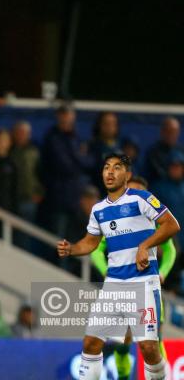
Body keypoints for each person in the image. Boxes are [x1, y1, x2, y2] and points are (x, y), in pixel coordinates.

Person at [57, 153, 180, 380]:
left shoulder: (142, 199)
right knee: (92, 342)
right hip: (114, 284)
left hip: (143, 283)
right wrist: (73, 249)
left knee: (149, 348)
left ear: (127, 175)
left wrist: (145, 245)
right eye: (106, 168)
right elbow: (91, 242)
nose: (110, 172)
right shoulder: (98, 209)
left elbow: (172, 225)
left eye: (116, 168)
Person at [90, 175, 176, 379]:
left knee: (154, 340)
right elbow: (95, 250)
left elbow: (170, 250)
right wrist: (106, 270)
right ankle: (123, 376)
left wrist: (162, 273)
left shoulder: (152, 221)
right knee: (122, 342)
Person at [41, 104, 93, 237]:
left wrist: (79, 158)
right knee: (59, 242)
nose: (67, 120)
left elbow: (89, 162)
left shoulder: (75, 136)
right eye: (64, 116)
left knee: (75, 241)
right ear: (58, 116)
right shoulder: (52, 138)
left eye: (70, 116)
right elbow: (64, 165)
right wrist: (79, 156)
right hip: (58, 199)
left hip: (76, 198)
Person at [146, 117, 184, 184]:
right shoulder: (153, 152)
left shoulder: (181, 150)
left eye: (174, 131)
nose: (171, 135)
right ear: (162, 132)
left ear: (178, 132)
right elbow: (158, 173)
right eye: (168, 131)